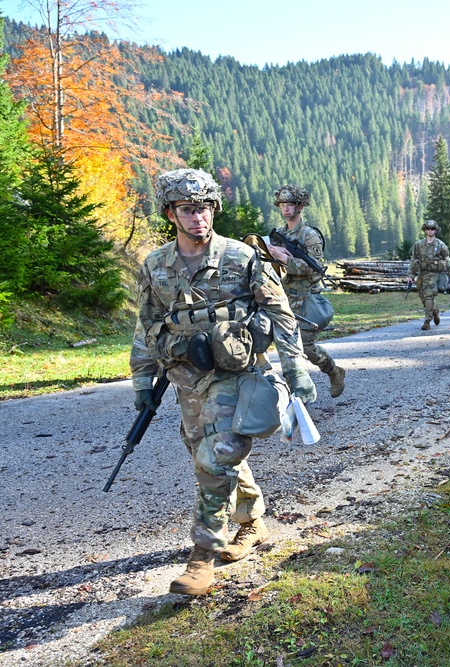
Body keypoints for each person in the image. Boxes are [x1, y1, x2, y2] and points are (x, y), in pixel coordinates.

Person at [131, 168, 317, 596]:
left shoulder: (241, 257)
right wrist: (142, 381)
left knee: (216, 456)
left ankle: (203, 557)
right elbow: (145, 326)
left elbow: (281, 316)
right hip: (185, 378)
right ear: (170, 213)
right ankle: (252, 524)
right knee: (208, 450)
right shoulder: (155, 265)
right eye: (187, 210)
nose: (198, 218)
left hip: (237, 375)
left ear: (213, 208)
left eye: (204, 208)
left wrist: (297, 372)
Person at [265, 184, 346, 398]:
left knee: (306, 346)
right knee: (279, 344)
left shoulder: (310, 236)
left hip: (306, 299)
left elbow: (315, 270)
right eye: (282, 204)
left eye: (290, 204)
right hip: (282, 298)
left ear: (300, 206)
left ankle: (334, 371)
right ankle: (295, 393)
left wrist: (287, 260)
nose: (286, 209)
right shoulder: (279, 235)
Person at [406, 220, 450, 330]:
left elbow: (447, 260)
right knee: (424, 298)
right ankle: (434, 311)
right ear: (425, 229)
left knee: (429, 296)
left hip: (435, 275)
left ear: (436, 230)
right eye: (428, 228)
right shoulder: (418, 245)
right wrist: (410, 275)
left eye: (432, 228)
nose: (430, 230)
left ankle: (427, 321)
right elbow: (413, 260)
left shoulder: (440, 245)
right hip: (422, 275)